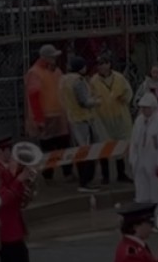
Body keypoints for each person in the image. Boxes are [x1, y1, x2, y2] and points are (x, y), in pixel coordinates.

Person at [25, 43, 71, 181]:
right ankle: (48, 175)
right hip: (46, 116)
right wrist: (39, 119)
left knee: (64, 145)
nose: (55, 59)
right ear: (45, 58)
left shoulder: (56, 71)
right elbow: (33, 98)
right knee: (48, 147)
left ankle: (67, 172)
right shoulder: (35, 73)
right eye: (53, 57)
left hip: (59, 115)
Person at [60, 55, 102, 193]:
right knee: (88, 151)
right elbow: (84, 102)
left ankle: (83, 180)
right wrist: (96, 101)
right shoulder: (78, 81)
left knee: (79, 151)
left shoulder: (64, 79)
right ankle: (86, 181)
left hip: (72, 118)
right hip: (83, 119)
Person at [89, 55, 133, 183]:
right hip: (102, 118)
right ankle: (106, 176)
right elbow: (90, 97)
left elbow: (128, 92)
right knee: (103, 146)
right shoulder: (93, 81)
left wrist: (124, 98)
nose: (102, 66)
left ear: (109, 64)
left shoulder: (119, 78)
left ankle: (121, 173)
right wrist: (96, 102)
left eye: (104, 63)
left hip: (120, 117)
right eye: (99, 64)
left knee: (120, 145)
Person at [127, 93, 158, 207]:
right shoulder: (139, 121)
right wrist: (132, 159)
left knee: (156, 195)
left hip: (154, 162)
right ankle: (143, 214)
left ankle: (156, 214)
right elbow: (134, 141)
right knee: (141, 193)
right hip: (140, 161)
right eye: (142, 107)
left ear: (153, 108)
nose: (144, 110)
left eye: (146, 107)